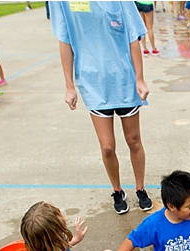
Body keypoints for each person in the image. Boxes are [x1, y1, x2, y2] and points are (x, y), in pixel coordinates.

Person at [51, 1, 154, 215]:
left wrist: (140, 79)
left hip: (124, 79)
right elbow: (65, 39)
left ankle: (140, 188)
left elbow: (132, 37)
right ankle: (117, 190)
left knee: (133, 140)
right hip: (93, 82)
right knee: (107, 146)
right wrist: (69, 85)